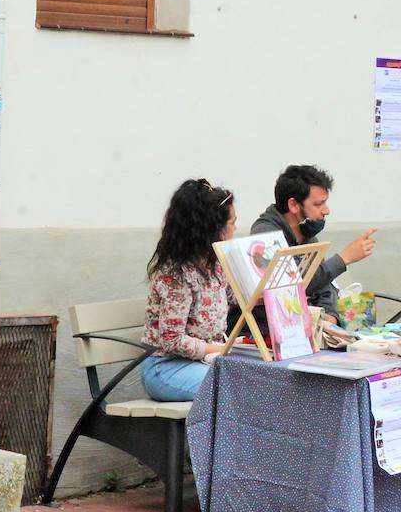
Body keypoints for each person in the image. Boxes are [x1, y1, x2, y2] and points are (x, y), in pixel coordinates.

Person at [249, 165, 375, 345]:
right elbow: (288, 289)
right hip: (273, 333)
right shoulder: (265, 236)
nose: (326, 210)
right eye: (318, 204)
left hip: (309, 328)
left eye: (325, 202)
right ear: (293, 205)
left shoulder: (306, 233)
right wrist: (343, 259)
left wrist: (329, 314)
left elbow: (324, 283)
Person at [141, 179, 237, 402]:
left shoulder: (215, 265)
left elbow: (238, 299)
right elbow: (171, 340)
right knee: (236, 388)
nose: (235, 228)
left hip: (206, 362)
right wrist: (219, 349)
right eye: (232, 222)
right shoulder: (176, 275)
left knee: (254, 378)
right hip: (166, 368)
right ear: (212, 229)